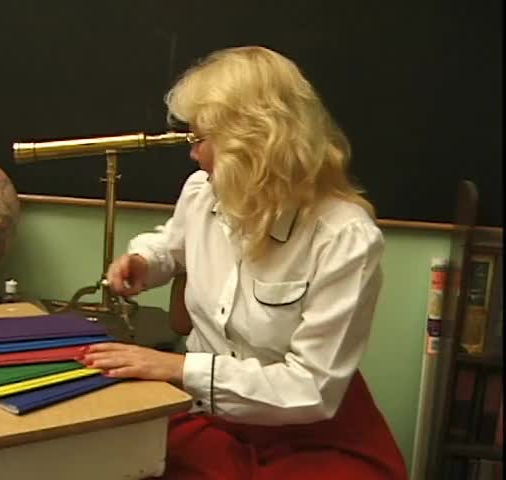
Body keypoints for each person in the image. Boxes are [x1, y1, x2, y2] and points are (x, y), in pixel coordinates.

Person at [81, 46, 408, 479]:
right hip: (206, 413)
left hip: (308, 430)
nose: (193, 154)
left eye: (199, 140)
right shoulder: (202, 191)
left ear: (251, 143)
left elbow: (311, 388)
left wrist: (179, 369)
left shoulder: (345, 238)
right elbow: (172, 245)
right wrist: (145, 260)